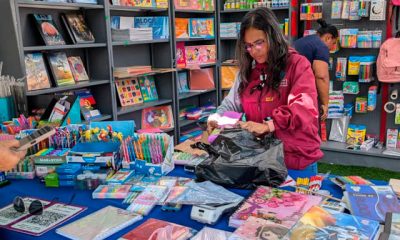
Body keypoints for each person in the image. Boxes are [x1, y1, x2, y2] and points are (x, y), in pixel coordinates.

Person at [207, 8, 323, 170]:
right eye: (248, 46)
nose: (254, 50)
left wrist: (269, 125)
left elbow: (303, 108)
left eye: (259, 42)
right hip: (261, 160)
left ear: (273, 36)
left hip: (295, 159)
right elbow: (232, 104)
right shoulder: (247, 71)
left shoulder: (297, 65)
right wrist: (217, 117)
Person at [293, 19, 338, 121]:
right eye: (333, 43)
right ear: (328, 37)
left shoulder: (303, 41)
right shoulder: (321, 46)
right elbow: (321, 76)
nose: (332, 47)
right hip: (301, 93)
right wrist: (325, 104)